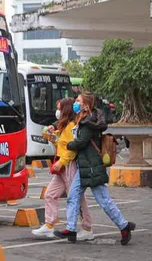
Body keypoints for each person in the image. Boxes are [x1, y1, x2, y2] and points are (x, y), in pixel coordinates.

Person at [54, 92, 136, 244]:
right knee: (73, 196)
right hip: (84, 166)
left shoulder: (88, 122)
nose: (75, 103)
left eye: (78, 101)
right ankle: (71, 229)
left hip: (92, 167)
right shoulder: (81, 120)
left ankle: (124, 226)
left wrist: (69, 144)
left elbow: (81, 142)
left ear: (86, 105)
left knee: (104, 201)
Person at [32, 98, 93, 240]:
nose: (57, 112)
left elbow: (72, 149)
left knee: (76, 197)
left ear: (65, 110)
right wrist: (52, 136)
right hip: (61, 165)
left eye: (59, 108)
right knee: (50, 194)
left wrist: (62, 162)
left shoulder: (71, 126)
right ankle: (49, 225)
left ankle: (87, 227)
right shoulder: (64, 126)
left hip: (68, 165)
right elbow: (62, 144)